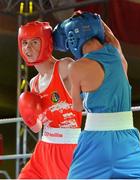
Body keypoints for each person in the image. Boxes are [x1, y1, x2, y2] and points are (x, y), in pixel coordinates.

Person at [54, 11, 140, 179]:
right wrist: (89, 18)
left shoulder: (76, 68)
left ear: (72, 40)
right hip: (127, 138)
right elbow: (109, 34)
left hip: (95, 141)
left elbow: (76, 107)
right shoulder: (117, 54)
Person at [17, 21, 82, 179]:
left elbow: (88, 84)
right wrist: (29, 118)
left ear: (46, 42)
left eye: (34, 42)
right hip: (44, 146)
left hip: (67, 147)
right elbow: (37, 128)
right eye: (24, 43)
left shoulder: (64, 68)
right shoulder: (34, 83)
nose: (28, 48)